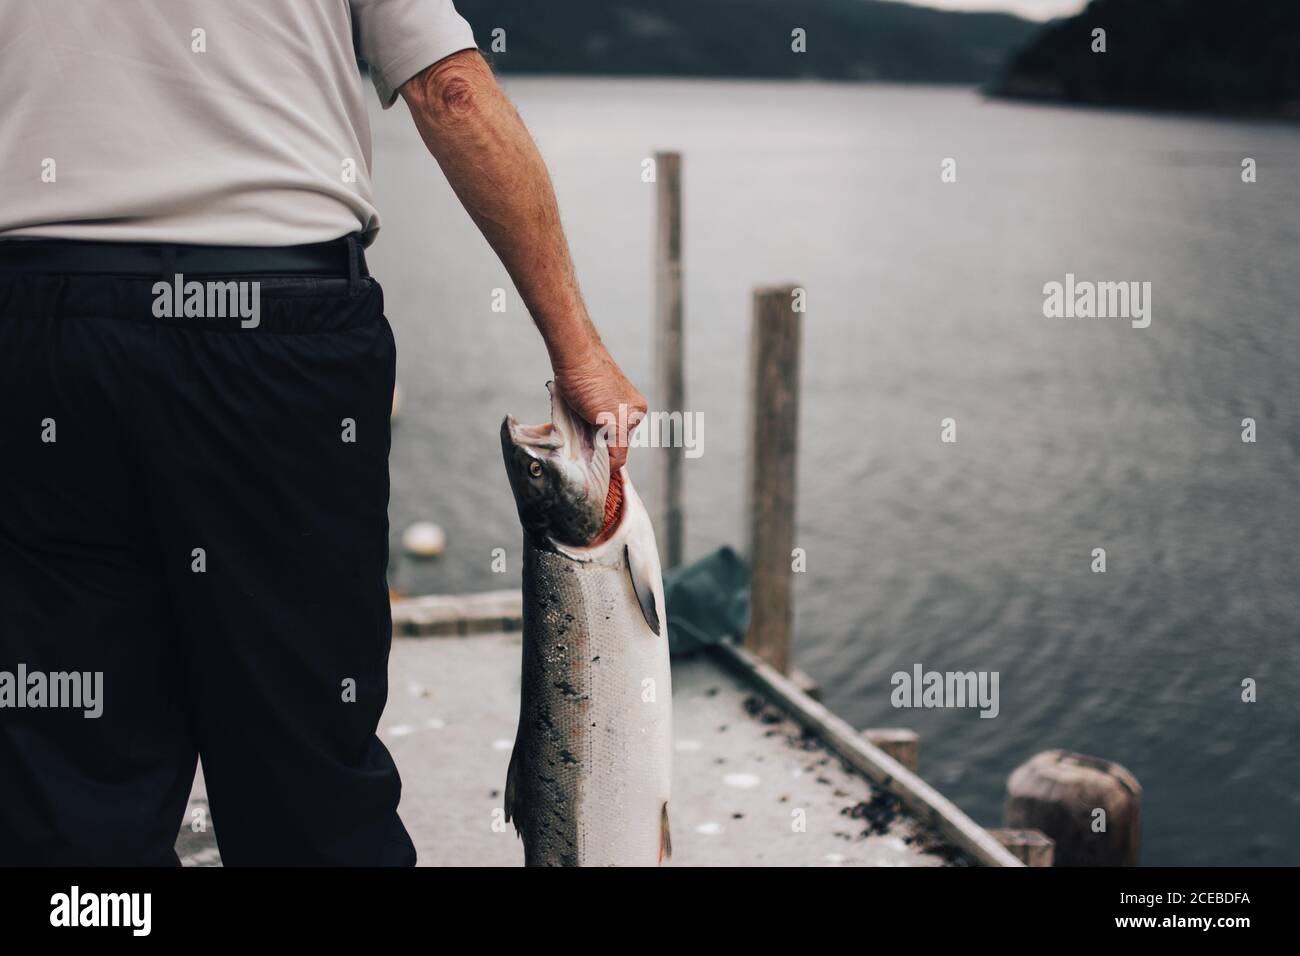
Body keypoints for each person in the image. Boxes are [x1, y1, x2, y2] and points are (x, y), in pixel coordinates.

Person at [0, 0, 646, 865]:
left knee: (74, 761)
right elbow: (451, 90)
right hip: (275, 327)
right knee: (302, 752)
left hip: (44, 318)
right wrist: (578, 349)